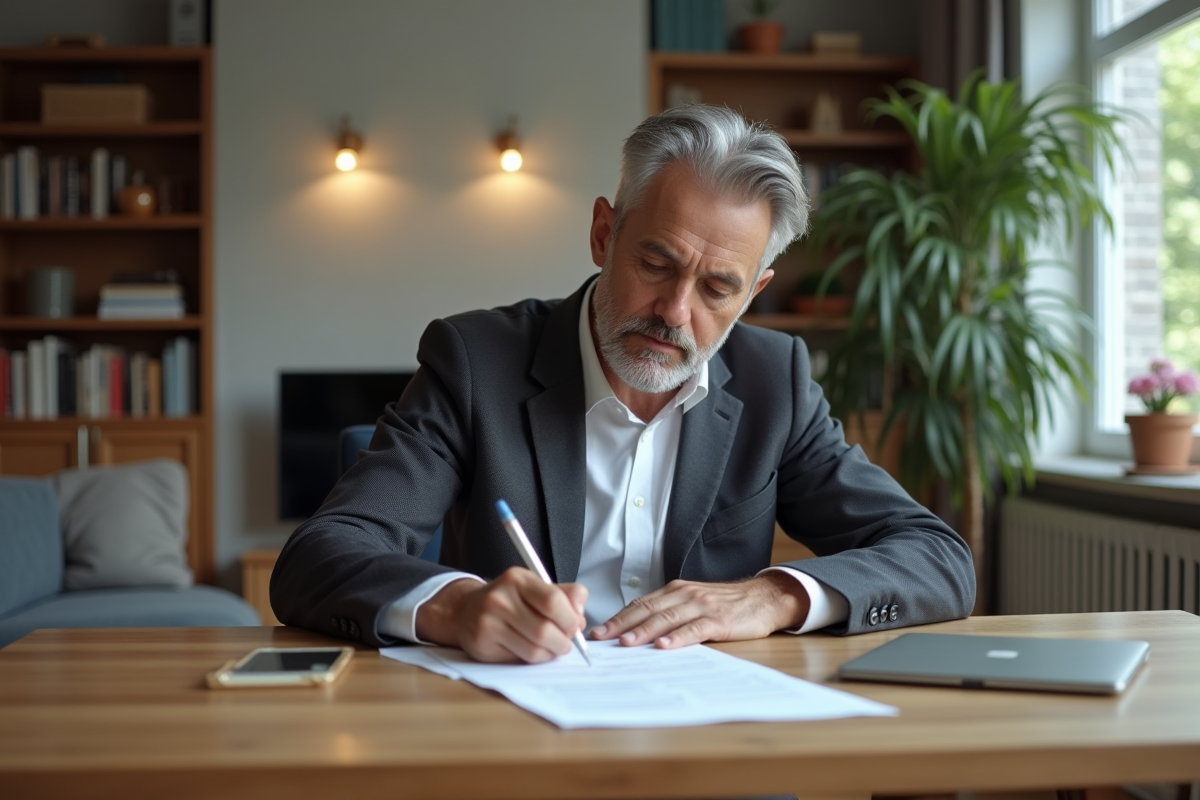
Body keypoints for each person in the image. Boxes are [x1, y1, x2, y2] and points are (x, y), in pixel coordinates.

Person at [271, 105, 975, 663]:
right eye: (657, 263)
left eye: (717, 288)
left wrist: (775, 597)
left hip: (711, 740)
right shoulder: (475, 360)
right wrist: (457, 608)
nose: (675, 313)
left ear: (753, 292)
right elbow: (319, 558)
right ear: (604, 234)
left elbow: (938, 559)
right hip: (517, 737)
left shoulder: (774, 381)